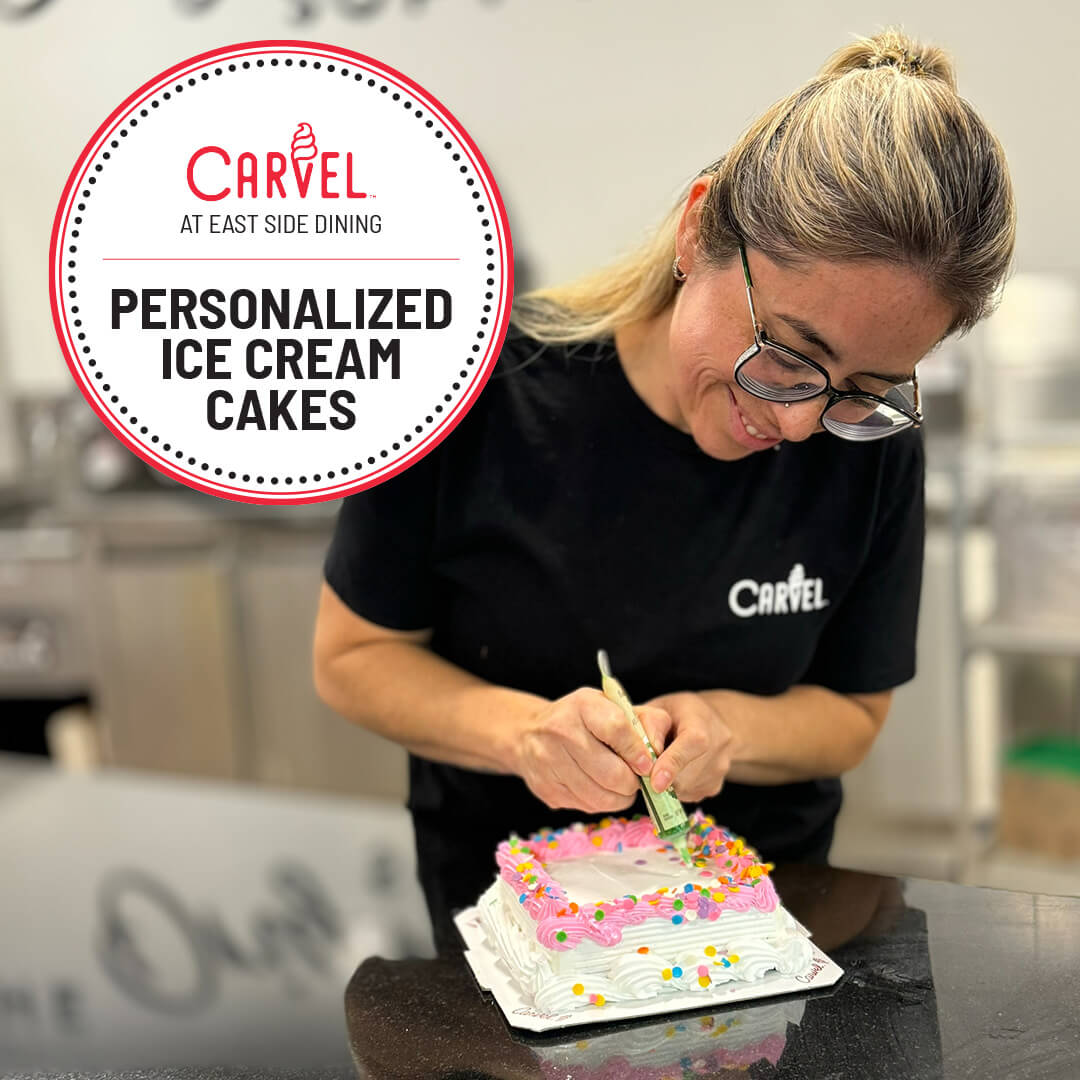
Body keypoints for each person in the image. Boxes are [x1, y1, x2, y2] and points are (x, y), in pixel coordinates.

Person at [313, 28, 1015, 954]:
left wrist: (729, 727)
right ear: (699, 229)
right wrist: (524, 734)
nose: (803, 424)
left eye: (865, 387)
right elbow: (352, 657)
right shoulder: (473, 386)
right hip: (507, 945)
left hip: (769, 941)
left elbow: (850, 715)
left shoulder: (868, 441)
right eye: (791, 355)